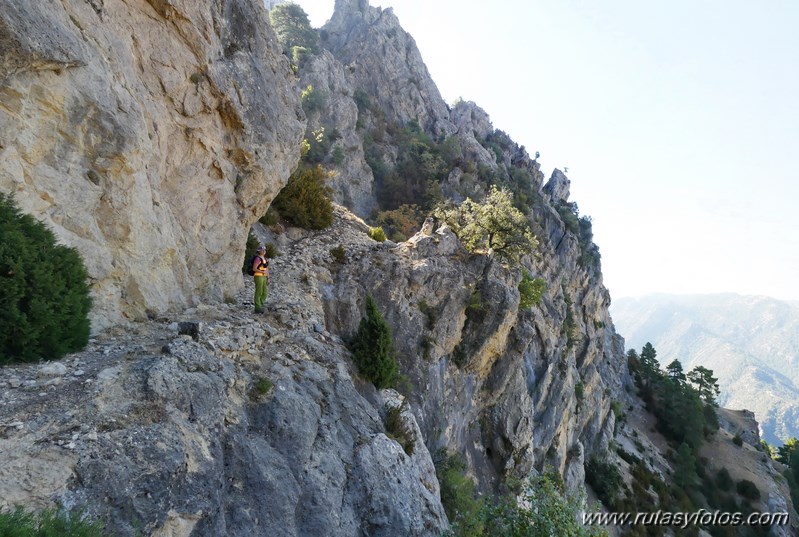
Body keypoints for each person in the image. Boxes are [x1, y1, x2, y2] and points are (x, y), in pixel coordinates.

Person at [252, 245, 269, 313]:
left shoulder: (265, 259)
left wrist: (268, 277)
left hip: (264, 277)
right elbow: (254, 268)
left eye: (264, 250)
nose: (264, 251)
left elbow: (266, 268)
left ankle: (261, 304)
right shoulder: (257, 259)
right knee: (259, 291)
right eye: (263, 250)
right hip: (258, 276)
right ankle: (257, 307)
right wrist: (262, 272)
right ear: (259, 251)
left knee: (265, 292)